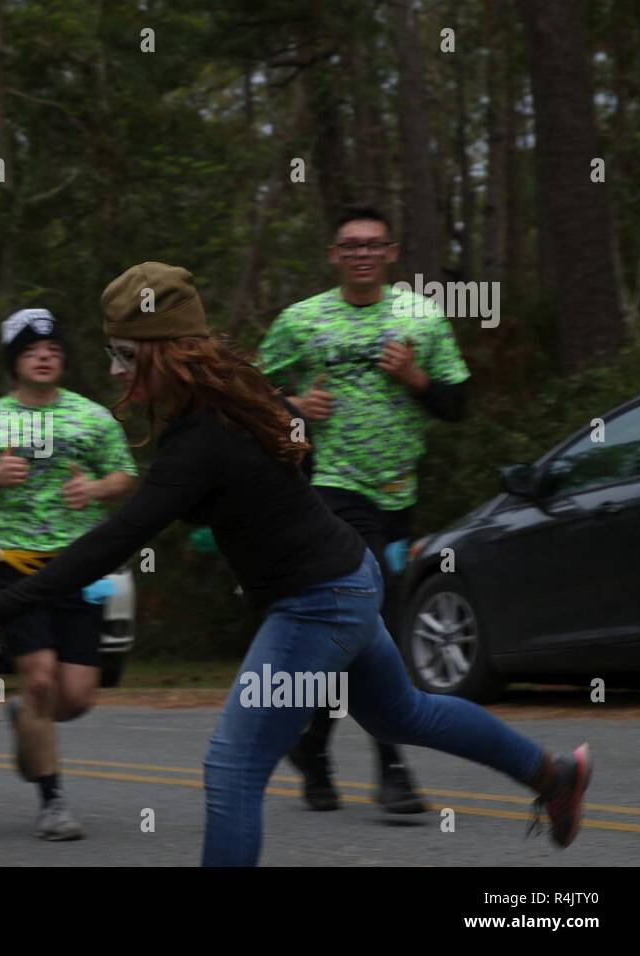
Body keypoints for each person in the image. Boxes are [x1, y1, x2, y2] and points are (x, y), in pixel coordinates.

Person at [0, 261, 590, 867]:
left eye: (125, 354)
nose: (117, 371)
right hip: (347, 576)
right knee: (402, 714)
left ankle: (549, 775)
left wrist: (4, 603)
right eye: (112, 354)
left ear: (163, 351)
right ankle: (551, 774)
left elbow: (116, 537)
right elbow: (300, 443)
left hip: (317, 602)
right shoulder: (239, 386)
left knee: (232, 768)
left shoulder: (195, 438)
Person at [259, 204, 471, 813]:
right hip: (331, 490)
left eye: (373, 244)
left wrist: (417, 379)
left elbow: (458, 405)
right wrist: (294, 402)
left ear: (392, 252)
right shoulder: (302, 320)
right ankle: (393, 769)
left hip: (398, 493)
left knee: (353, 629)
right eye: (350, 244)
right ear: (333, 254)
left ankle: (312, 744)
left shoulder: (422, 318)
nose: (361, 253)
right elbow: (247, 388)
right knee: (370, 614)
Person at [0, 308, 136, 840]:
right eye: (32, 349)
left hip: (78, 569)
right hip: (14, 568)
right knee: (38, 679)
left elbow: (125, 475)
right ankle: (53, 802)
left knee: (75, 697)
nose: (45, 355)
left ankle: (26, 720)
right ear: (15, 361)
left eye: (53, 348)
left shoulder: (92, 417)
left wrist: (95, 490)